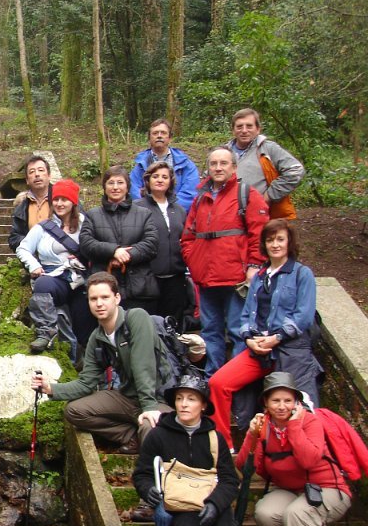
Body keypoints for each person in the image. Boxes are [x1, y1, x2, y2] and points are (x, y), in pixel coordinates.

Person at [235, 372, 351, 526]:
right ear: (266, 403)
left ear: (296, 402)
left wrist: (295, 426)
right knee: (265, 513)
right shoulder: (264, 426)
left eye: (287, 400)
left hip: (328, 488)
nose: (282, 406)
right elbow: (245, 468)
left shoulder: (309, 421)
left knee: (298, 514)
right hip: (291, 490)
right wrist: (251, 435)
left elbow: (309, 460)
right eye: (276, 400)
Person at [208, 219, 322, 442]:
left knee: (299, 404)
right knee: (218, 383)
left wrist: (277, 337)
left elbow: (304, 316)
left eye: (280, 239)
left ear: (290, 242)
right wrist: (249, 338)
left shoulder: (302, 274)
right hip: (258, 350)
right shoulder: (260, 276)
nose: (275, 244)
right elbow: (246, 315)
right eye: (270, 240)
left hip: (290, 352)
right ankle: (222, 444)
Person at [32, 272, 171, 453]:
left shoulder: (137, 318)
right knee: (74, 411)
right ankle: (130, 436)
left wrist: (150, 408)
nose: (99, 303)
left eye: (105, 297)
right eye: (93, 299)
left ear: (117, 298)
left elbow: (143, 366)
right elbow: (86, 383)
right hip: (127, 397)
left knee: (149, 426)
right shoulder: (96, 338)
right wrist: (50, 388)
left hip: (157, 398)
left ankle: (150, 473)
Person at [132, 375, 240, 526]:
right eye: (180, 398)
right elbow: (142, 473)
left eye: (191, 399)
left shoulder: (214, 438)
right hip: (176, 502)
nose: (184, 404)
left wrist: (214, 502)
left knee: (226, 518)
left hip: (206, 497)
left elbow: (230, 479)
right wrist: (148, 490)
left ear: (203, 405)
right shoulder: (159, 435)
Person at [181, 147, 269, 376]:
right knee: (210, 330)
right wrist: (194, 261)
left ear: (234, 167)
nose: (218, 168)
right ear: (208, 168)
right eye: (213, 164)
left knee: (239, 330)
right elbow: (188, 235)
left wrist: (254, 266)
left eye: (223, 163)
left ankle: (237, 380)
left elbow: (259, 233)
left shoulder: (247, 194)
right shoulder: (200, 197)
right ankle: (214, 377)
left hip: (236, 279)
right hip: (206, 278)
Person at [14, 178, 92, 355]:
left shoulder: (85, 223)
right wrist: (33, 265)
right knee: (42, 285)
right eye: (56, 200)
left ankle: (87, 359)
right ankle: (46, 331)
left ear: (73, 202)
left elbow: (95, 246)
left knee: (85, 319)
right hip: (55, 277)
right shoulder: (43, 227)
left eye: (64, 199)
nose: (59, 203)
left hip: (80, 278)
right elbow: (23, 248)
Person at [80, 166, 160, 314]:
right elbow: (86, 243)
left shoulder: (144, 214)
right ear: (104, 187)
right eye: (111, 183)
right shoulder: (93, 215)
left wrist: (127, 255)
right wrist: (113, 251)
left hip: (140, 288)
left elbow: (152, 243)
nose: (115, 187)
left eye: (120, 182)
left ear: (127, 186)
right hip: (104, 290)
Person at [134, 161, 191, 329]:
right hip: (148, 277)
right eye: (155, 176)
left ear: (171, 181)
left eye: (165, 177)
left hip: (175, 277)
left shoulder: (179, 209)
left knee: (173, 325)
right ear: (148, 180)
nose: (160, 180)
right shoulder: (137, 207)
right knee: (150, 325)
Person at [228, 108, 305, 220]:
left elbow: (296, 170)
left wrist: (268, 196)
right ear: (233, 130)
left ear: (258, 129)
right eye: (239, 126)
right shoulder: (224, 151)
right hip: (228, 216)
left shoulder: (268, 148)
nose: (244, 130)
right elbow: (208, 178)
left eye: (249, 126)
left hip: (258, 215)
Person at [128, 118, 201, 212]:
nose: (159, 136)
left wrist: (170, 210)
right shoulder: (140, 165)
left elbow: (190, 193)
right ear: (149, 138)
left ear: (170, 137)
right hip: (147, 216)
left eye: (163, 133)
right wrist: (150, 210)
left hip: (176, 216)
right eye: (155, 133)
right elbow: (134, 191)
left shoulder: (185, 164)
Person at [8, 155, 54, 252]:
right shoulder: (22, 207)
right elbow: (14, 239)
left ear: (49, 175)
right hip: (34, 261)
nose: (37, 174)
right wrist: (32, 242)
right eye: (32, 172)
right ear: (27, 180)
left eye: (41, 170)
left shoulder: (64, 201)